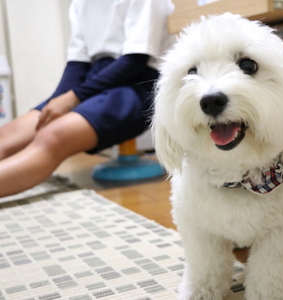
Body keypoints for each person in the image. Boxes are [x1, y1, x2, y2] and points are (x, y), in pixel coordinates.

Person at [0, 0, 174, 197]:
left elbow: (135, 60)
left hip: (137, 84)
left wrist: (77, 96)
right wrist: (57, 101)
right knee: (8, 133)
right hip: (95, 79)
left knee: (53, 136)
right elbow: (77, 64)